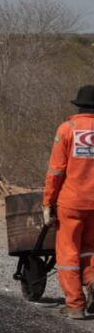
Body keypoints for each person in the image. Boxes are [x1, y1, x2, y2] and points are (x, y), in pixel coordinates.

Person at [43, 84, 94, 319]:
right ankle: (92, 280)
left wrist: (47, 203)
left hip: (72, 203)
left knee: (68, 252)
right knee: (90, 249)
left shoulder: (67, 129)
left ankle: (75, 305)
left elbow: (56, 171)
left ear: (78, 105)